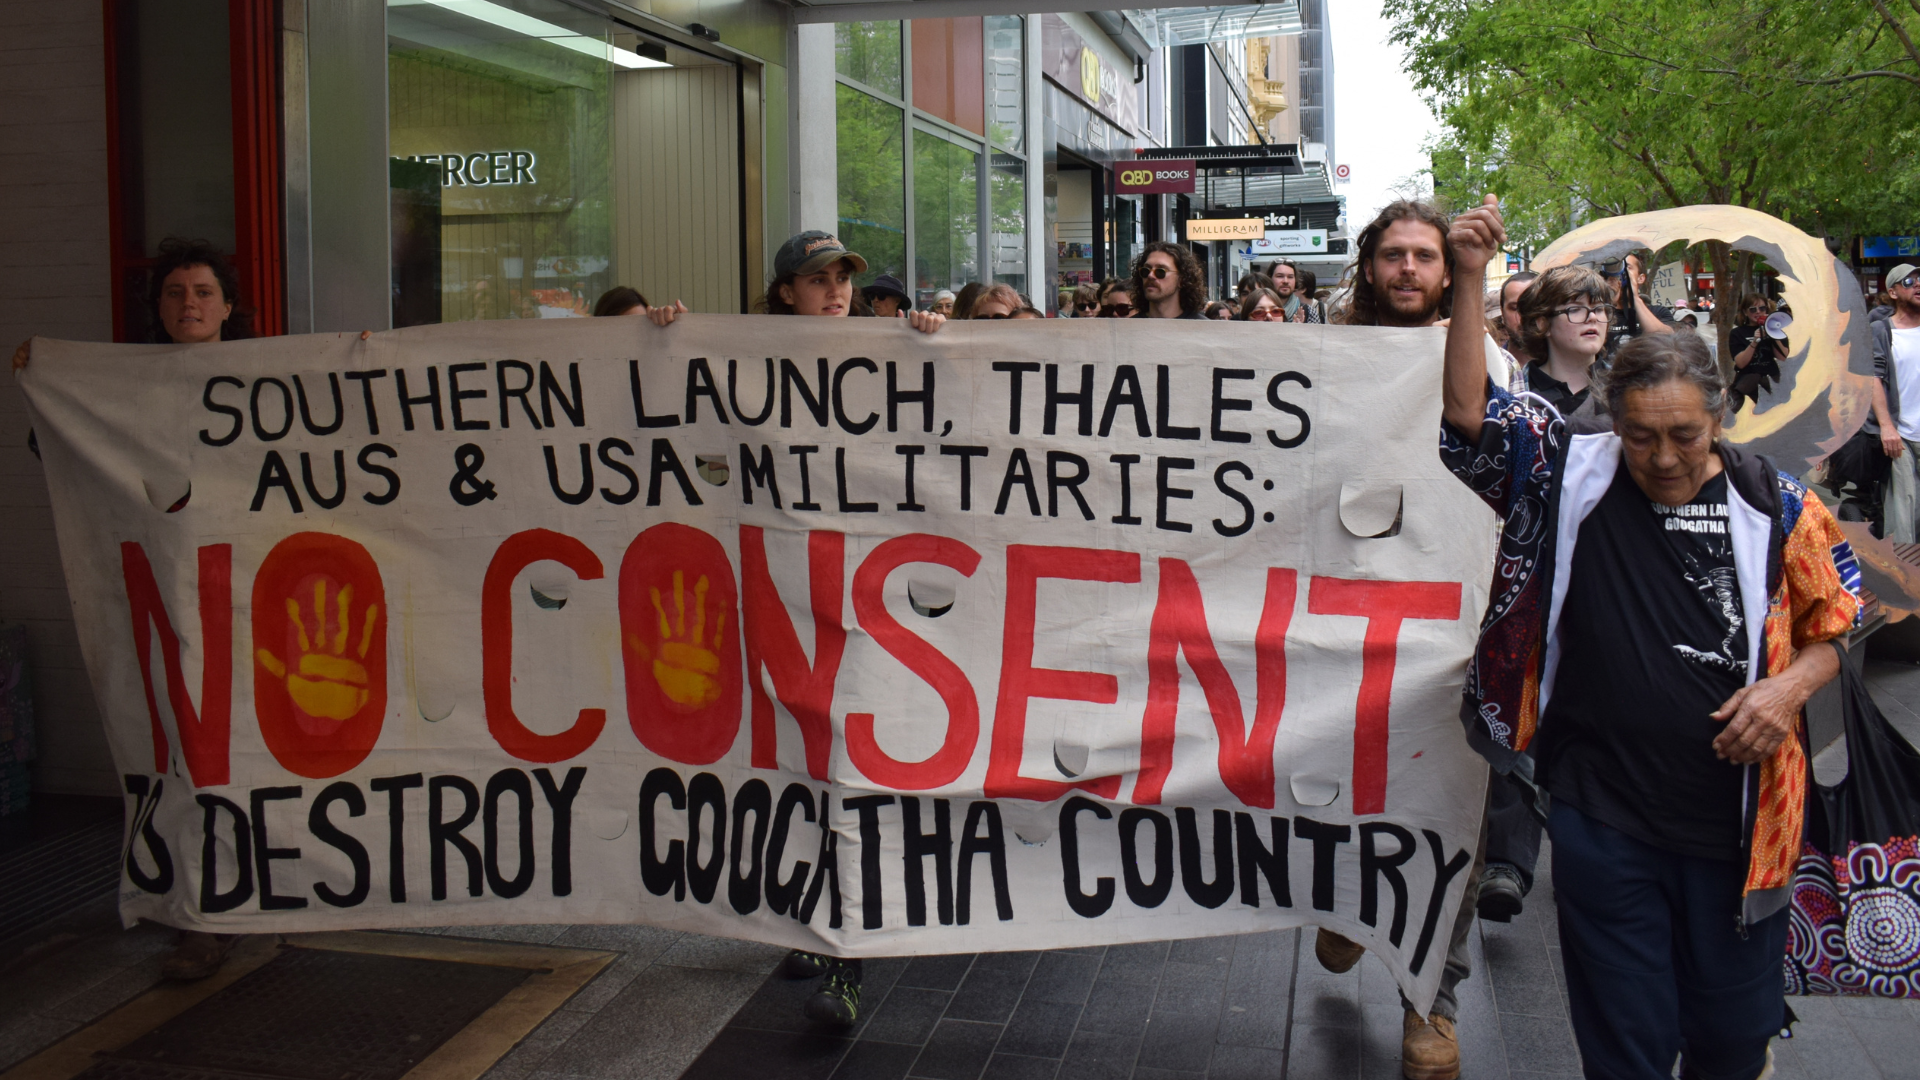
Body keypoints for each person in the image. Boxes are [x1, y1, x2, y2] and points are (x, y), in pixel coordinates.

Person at [1441, 194, 1857, 1080]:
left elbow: (1834, 628)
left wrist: (1786, 691)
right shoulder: (1568, 474)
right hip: (1604, 813)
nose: (1662, 458)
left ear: (1719, 420)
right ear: (1611, 421)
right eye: (1639, 436)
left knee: (1730, 1042)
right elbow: (1473, 423)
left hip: (1742, 827)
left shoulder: (1778, 505)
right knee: (1625, 1041)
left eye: (1683, 437)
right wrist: (1470, 279)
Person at [646, 233, 940, 1030]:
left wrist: (940, 345)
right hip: (777, 601)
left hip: (861, 608)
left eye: (841, 278)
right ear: (783, 293)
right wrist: (662, 337)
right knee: (792, 770)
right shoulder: (739, 363)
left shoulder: (888, 353)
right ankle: (812, 923)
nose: (835, 292)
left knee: (847, 767)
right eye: (816, 281)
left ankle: (844, 955)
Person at [14, 237, 254, 981]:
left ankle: (256, 896)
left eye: (203, 292)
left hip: (245, 602)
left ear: (228, 306)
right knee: (182, 754)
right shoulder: (123, 385)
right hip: (162, 601)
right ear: (157, 307)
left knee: (244, 755)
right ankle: (197, 914)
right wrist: (49, 385)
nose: (190, 305)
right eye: (176, 293)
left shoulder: (268, 379)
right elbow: (50, 444)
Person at [1318, 199, 1512, 1080]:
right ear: (1369, 267)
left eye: (1424, 257)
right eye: (1391, 255)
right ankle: (1344, 900)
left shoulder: (1484, 359)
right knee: (1333, 787)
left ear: (1446, 271)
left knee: (1450, 809)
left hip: (1444, 627)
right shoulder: (1319, 360)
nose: (1406, 270)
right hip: (1330, 622)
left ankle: (1430, 1002)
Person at [1515, 265, 1613, 417]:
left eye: (1599, 309)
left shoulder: (1627, 387)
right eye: (1574, 310)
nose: (1593, 317)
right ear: (1543, 324)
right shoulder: (1514, 391)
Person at [1871, 263, 1920, 542]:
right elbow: (1872, 378)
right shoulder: (1882, 330)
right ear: (1892, 291)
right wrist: (1887, 426)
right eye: (1909, 281)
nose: (1918, 284)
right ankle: (1902, 579)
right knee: (1904, 516)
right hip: (1903, 436)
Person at [1603, 250, 1675, 356]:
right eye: (1617, 268)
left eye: (1627, 267)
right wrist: (1608, 301)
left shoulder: (1658, 312)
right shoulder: (1599, 312)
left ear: (1640, 278)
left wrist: (1634, 298)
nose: (1621, 273)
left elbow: (1668, 340)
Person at [1728, 296, 1784, 408]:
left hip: (1771, 378)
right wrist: (1754, 342)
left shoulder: (1773, 330)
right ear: (1745, 312)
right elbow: (1740, 363)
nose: (1758, 312)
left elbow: (1782, 357)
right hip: (1749, 382)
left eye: (1762, 308)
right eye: (1753, 309)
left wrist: (1774, 334)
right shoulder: (1737, 333)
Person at [1129, 241, 1206, 319]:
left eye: (1160, 271)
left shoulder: (1203, 327)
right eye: (1146, 270)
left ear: (1181, 279)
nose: (1150, 276)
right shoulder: (1128, 327)